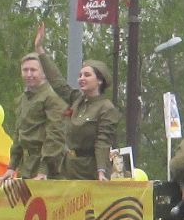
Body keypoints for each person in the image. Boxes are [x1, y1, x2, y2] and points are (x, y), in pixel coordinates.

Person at [35, 24, 120, 181]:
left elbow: (102, 142)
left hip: (91, 172)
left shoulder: (106, 108)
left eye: (87, 75)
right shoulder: (77, 100)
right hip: (69, 169)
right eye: (80, 75)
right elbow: (57, 81)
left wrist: (101, 171)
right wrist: (40, 50)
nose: (81, 78)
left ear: (100, 80)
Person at [2, 51, 68, 181]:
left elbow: (55, 136)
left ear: (44, 73)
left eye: (33, 70)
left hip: (49, 170)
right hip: (27, 167)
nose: (29, 74)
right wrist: (12, 167)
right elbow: (19, 133)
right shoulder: (24, 98)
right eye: (25, 70)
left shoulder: (52, 97)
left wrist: (43, 170)